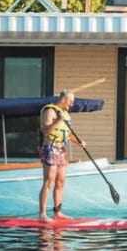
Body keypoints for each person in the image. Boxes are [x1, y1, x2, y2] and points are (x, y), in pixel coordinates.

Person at [38, 90, 86, 219]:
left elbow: (68, 134)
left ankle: (57, 212)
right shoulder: (50, 111)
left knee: (60, 182)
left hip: (61, 150)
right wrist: (57, 121)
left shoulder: (65, 114)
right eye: (70, 101)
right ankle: (42, 214)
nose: (71, 104)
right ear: (64, 99)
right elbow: (46, 131)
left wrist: (79, 142)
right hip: (50, 148)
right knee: (49, 181)